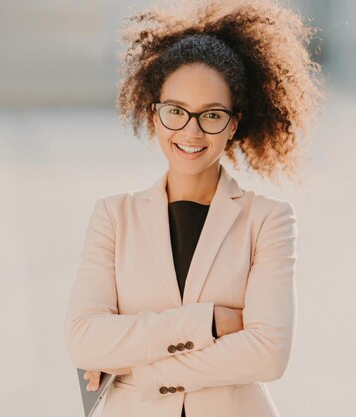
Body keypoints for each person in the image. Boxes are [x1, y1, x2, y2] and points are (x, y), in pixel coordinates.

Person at [63, 0, 323, 416]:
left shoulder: (269, 221)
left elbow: (268, 354)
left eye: (211, 115)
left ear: (234, 123)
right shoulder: (114, 217)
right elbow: (84, 339)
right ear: (154, 114)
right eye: (176, 112)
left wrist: (138, 368)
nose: (191, 130)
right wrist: (212, 323)